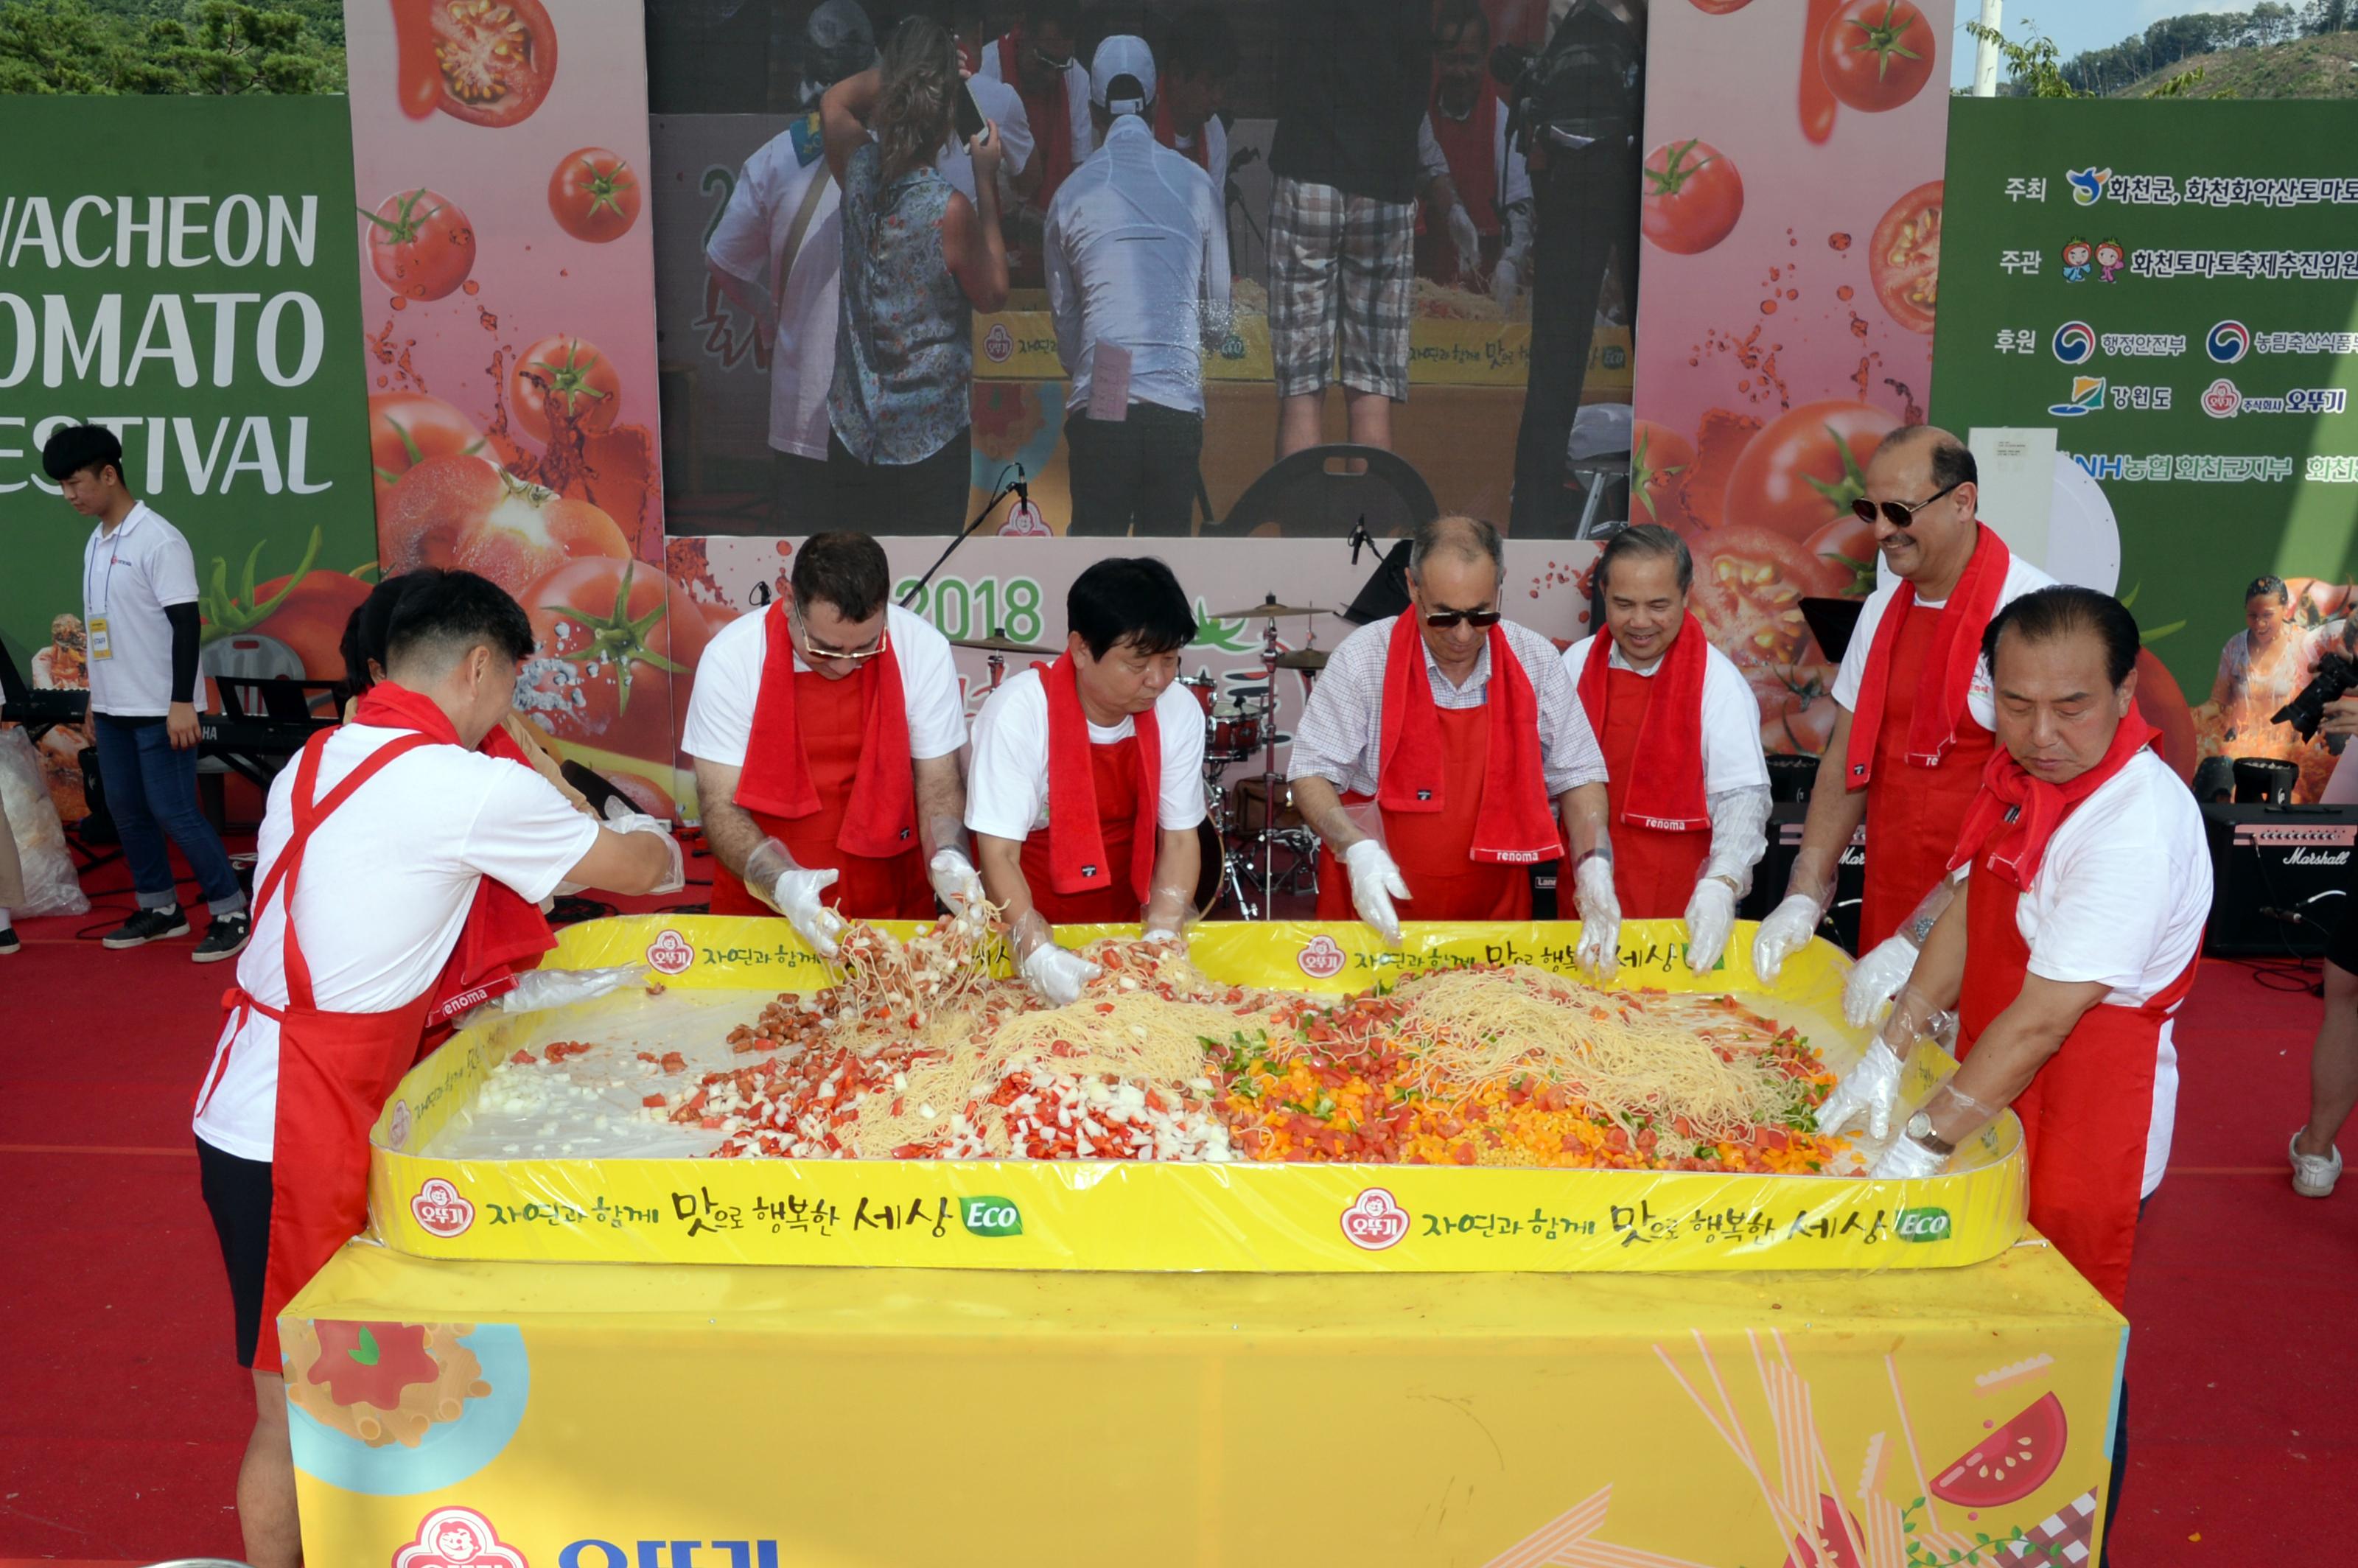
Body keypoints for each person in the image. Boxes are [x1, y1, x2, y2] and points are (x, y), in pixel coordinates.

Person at [189, 571, 680, 1568]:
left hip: (247, 1094)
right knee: (292, 1409)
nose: (513, 713)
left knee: (329, 1386)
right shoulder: (468, 786)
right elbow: (644, 870)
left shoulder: (320, 755)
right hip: (297, 1121)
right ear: (480, 668)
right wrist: (548, 774)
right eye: (514, 690)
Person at [1818, 585, 2207, 1560]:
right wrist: (1889, 1049)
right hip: (1997, 1096)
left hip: (2086, 1117)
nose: (2039, 732)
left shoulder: (2131, 827)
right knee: (1986, 1339)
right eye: (2016, 702)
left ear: (2127, 694)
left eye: (2071, 705)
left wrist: (1918, 1143)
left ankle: (2080, 1540)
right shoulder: (2027, 779)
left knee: (2070, 1346)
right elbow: (1970, 911)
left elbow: (2041, 1022)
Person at [1753, 427, 2052, 1021]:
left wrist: (1920, 937)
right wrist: (1804, 892)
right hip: (1892, 889)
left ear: (1963, 502)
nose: (1882, 530)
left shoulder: (2031, 613)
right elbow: (1844, 758)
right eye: (1871, 510)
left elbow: (2031, 804)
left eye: (1900, 511)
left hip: (1990, 907)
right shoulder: (1880, 610)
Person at [1289, 515, 1620, 971]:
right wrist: (1355, 849)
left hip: (1493, 917)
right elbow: (1311, 771)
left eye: (1481, 614)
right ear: (1411, 586)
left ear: (1501, 586)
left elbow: (1578, 775)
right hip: (1376, 909)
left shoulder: (1535, 660)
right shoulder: (1365, 659)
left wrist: (1594, 863)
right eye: (1443, 616)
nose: (1463, 635)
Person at [682, 531, 976, 954]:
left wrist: (950, 856)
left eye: (863, 650)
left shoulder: (923, 649)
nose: (843, 666)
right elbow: (719, 805)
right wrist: (784, 886)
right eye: (823, 650)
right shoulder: (731, 658)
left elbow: (939, 787)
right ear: (788, 602)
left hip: (891, 905)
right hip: (766, 908)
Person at [46, 422, 251, 961]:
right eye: (62, 486)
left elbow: (186, 625)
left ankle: (231, 909)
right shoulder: (96, 543)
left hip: (163, 708)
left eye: (75, 483)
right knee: (126, 810)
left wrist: (183, 702)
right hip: (113, 707)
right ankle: (160, 908)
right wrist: (95, 695)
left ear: (109, 474)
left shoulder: (158, 539)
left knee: (174, 810)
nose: (69, 495)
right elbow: (103, 628)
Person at [966, 557, 1208, 1006]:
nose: (1157, 680)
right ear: (1080, 650)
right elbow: (998, 855)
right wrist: (1037, 954)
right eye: (1138, 663)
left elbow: (1178, 840)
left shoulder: (1179, 711)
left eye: (1170, 660)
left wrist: (1160, 938)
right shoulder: (1018, 714)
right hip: (1024, 923)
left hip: (1126, 927)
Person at [821, 18, 1010, 534]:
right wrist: (986, 179)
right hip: (928, 448)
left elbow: (835, 100)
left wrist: (907, 68)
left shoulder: (858, 170)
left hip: (854, 435)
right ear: (947, 113)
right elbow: (994, 292)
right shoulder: (949, 211)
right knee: (915, 600)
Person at [1045, 35, 1231, 538]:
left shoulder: (1070, 194)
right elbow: (1217, 325)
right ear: (1155, 105)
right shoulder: (1195, 183)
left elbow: (1067, 333)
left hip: (1105, 388)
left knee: (1095, 562)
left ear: (1092, 110)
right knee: (1163, 568)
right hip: (1175, 398)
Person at [704, 0, 880, 530]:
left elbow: (723, 261)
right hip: (888, 415)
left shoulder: (773, 160)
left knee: (814, 564)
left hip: (804, 407)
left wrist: (766, 313)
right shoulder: (906, 154)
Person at [1559, 525, 1767, 971]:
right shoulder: (1573, 666)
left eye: (1658, 606)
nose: (1639, 622)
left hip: (1678, 919)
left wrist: (1722, 884)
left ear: (1686, 596)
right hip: (1582, 908)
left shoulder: (1719, 683)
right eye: (1623, 604)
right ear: (1602, 593)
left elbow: (1742, 802)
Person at [1267, 0, 1434, 461]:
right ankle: (1368, 531)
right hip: (1385, 184)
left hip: (1308, 169)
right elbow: (1420, 79)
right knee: (1371, 393)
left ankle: (1303, 532)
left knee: (1301, 393)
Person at [1501, 0, 1644, 534]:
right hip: (1632, 170)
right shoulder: (1609, 27)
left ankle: (1533, 520)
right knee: (1657, 354)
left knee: (1555, 366)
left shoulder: (1575, 24)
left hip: (1579, 178)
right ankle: (1658, 507)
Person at [1414, 0, 1533, 299]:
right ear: (1436, 59)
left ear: (1484, 59)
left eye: (1469, 60)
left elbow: (1521, 206)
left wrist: (1510, 263)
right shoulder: (1417, 117)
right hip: (1424, 292)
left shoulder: (1503, 121)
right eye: (1451, 60)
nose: (1460, 71)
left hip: (1485, 297)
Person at [975, 0, 1094, 239]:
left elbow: (1081, 176)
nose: (1052, 76)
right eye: (1043, 62)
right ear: (1024, 30)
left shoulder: (1077, 78)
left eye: (1060, 65)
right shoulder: (985, 70)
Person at [1152, 6, 1237, 192]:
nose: (1218, 98)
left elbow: (1213, 215)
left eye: (1223, 87)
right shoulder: (1142, 125)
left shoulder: (1214, 131)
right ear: (1177, 74)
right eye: (1209, 86)